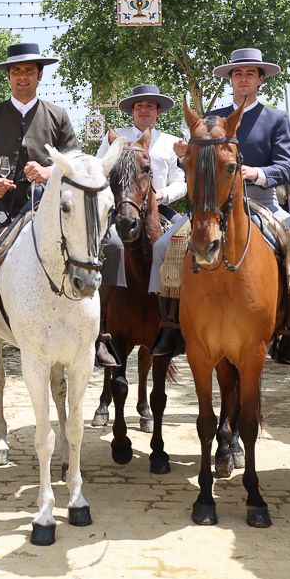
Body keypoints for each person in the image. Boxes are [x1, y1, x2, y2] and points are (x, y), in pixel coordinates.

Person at [147, 49, 290, 362]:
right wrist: (186, 155)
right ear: (230, 79)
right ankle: (169, 326)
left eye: (250, 73)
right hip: (214, 202)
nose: (243, 79)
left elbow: (289, 166)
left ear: (260, 80)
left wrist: (257, 173)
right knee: (162, 248)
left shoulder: (276, 119)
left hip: (262, 200)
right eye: (238, 74)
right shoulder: (212, 119)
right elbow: (197, 165)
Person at [0, 42, 80, 377]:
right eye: (16, 71)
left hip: (49, 210)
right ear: (8, 76)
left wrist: (49, 172)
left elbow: (76, 162)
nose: (22, 76)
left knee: (105, 246)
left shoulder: (58, 115)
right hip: (2, 211)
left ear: (40, 75)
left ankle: (98, 337)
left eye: (28, 71)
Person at [95, 83, 185, 366]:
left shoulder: (172, 142)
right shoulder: (115, 139)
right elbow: (99, 170)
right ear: (132, 111)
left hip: (160, 207)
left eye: (149, 105)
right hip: (120, 208)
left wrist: (162, 195)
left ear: (158, 111)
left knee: (186, 246)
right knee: (98, 249)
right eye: (138, 106)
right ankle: (100, 326)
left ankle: (175, 321)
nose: (144, 110)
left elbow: (181, 180)